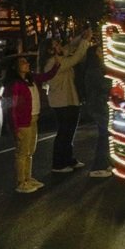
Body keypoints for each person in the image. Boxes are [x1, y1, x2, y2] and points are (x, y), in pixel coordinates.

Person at [39, 28, 92, 172]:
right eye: (55, 45)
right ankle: (58, 163)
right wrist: (85, 41)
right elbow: (75, 58)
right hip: (61, 101)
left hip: (69, 99)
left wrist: (81, 36)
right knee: (64, 132)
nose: (59, 46)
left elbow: (69, 48)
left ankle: (68, 159)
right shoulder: (52, 62)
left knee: (69, 132)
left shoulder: (59, 57)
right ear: (50, 51)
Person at [6, 55, 59, 193]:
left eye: (26, 62)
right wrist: (14, 126)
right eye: (23, 62)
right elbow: (11, 107)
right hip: (23, 121)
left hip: (34, 118)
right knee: (22, 152)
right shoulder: (15, 84)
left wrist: (57, 65)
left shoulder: (32, 78)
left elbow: (47, 76)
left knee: (30, 151)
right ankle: (21, 182)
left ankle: (28, 178)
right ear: (15, 67)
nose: (27, 64)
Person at [82, 44, 113, 178]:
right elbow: (105, 85)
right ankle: (98, 166)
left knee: (106, 135)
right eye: (99, 51)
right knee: (104, 135)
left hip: (101, 105)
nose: (103, 52)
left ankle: (105, 163)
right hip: (99, 106)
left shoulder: (99, 68)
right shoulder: (94, 70)